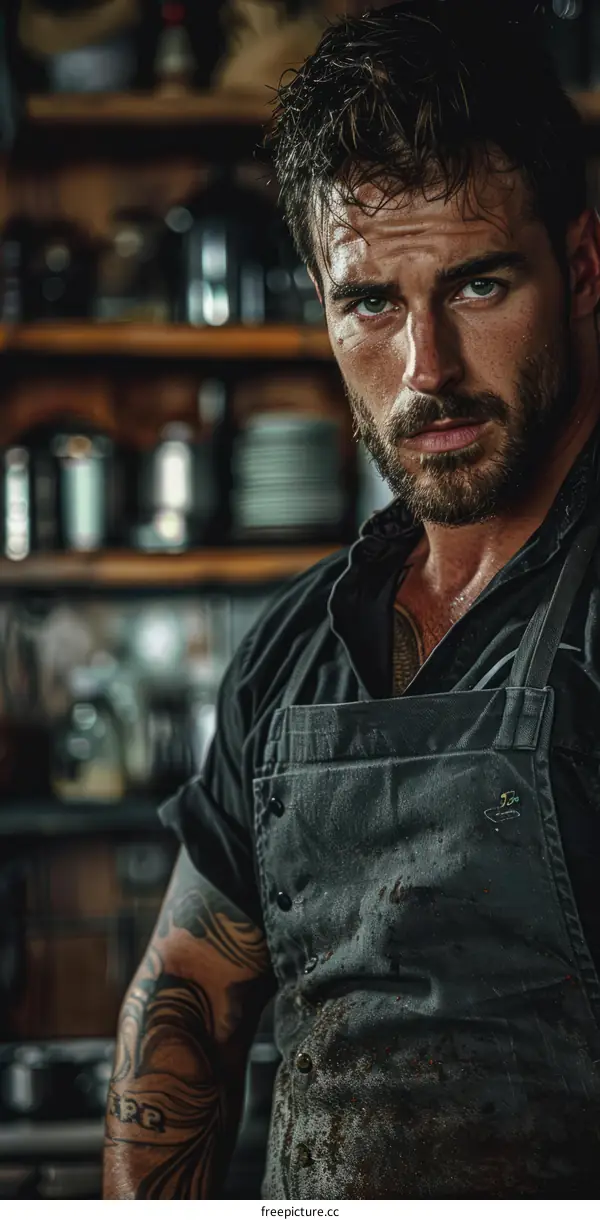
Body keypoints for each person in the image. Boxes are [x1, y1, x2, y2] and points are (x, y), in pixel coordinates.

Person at [103, 0, 600, 1200]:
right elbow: (189, 994)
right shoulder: (293, 653)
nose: (427, 368)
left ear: (583, 270)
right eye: (371, 301)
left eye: (477, 285)